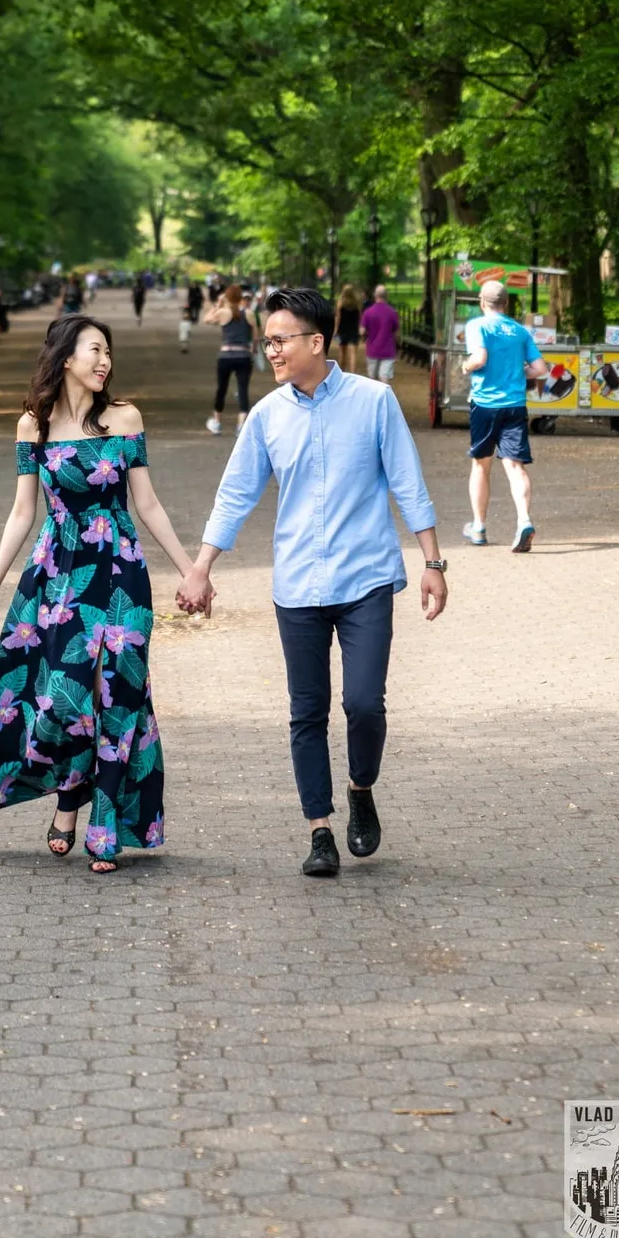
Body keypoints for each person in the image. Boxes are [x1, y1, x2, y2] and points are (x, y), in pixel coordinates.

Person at [176, 287, 447, 879]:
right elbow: (237, 494)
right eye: (266, 340)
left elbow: (408, 481)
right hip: (297, 584)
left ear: (316, 342)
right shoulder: (267, 417)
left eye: (279, 340)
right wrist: (202, 566)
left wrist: (432, 561)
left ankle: (360, 787)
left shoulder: (374, 401)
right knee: (307, 711)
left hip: (367, 577)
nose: (268, 350)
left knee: (363, 704)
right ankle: (319, 830)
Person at [0, 314, 207, 871]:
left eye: (108, 353)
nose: (105, 362)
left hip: (120, 572)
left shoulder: (125, 418)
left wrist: (191, 569)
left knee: (117, 696)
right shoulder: (34, 426)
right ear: (65, 357)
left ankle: (105, 822)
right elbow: (23, 510)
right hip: (59, 575)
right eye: (95, 351)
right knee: (65, 697)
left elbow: (147, 504)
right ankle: (69, 794)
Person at [461, 280, 548, 552]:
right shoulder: (519, 331)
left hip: (485, 405)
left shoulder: (477, 326)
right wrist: (519, 373)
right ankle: (524, 520)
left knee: (481, 465)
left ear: (482, 301)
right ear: (506, 303)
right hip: (515, 406)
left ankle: (479, 527)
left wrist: (466, 366)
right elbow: (540, 369)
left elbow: (480, 358)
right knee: (514, 466)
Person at [201, 282, 257, 435]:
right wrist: (254, 351)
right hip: (244, 356)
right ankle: (241, 425)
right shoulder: (249, 313)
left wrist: (217, 305)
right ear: (240, 297)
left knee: (221, 389)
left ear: (227, 297)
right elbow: (255, 337)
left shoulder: (223, 313)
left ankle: (217, 422)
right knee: (243, 389)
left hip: (225, 356)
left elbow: (206, 319)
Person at [360, 284, 400, 382]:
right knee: (384, 376)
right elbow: (397, 333)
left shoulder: (368, 312)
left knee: (372, 378)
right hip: (388, 349)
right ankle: (384, 396)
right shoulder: (392, 312)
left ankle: (373, 397)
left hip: (372, 349)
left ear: (375, 296)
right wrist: (397, 344)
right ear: (386, 296)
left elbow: (362, 331)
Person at [334, 283, 362, 373]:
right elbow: (360, 317)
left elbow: (338, 317)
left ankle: (342, 372)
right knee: (353, 354)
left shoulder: (340, 303)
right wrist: (359, 327)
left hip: (343, 329)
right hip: (354, 329)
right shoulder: (357, 303)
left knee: (342, 353)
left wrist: (336, 329)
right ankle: (353, 373)